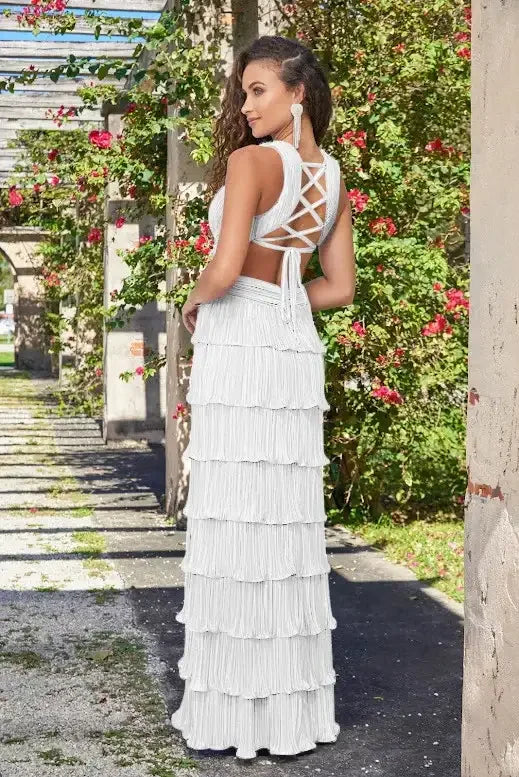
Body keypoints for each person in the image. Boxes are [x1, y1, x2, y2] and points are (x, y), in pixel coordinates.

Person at [171, 34, 356, 760]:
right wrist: (284, 299)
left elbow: (220, 269)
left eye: (257, 90)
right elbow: (336, 288)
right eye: (242, 92)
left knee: (233, 518)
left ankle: (231, 715)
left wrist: (195, 302)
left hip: (241, 337)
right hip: (291, 343)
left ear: (296, 92)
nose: (244, 106)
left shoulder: (251, 163)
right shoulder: (333, 175)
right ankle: (288, 718)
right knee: (283, 525)